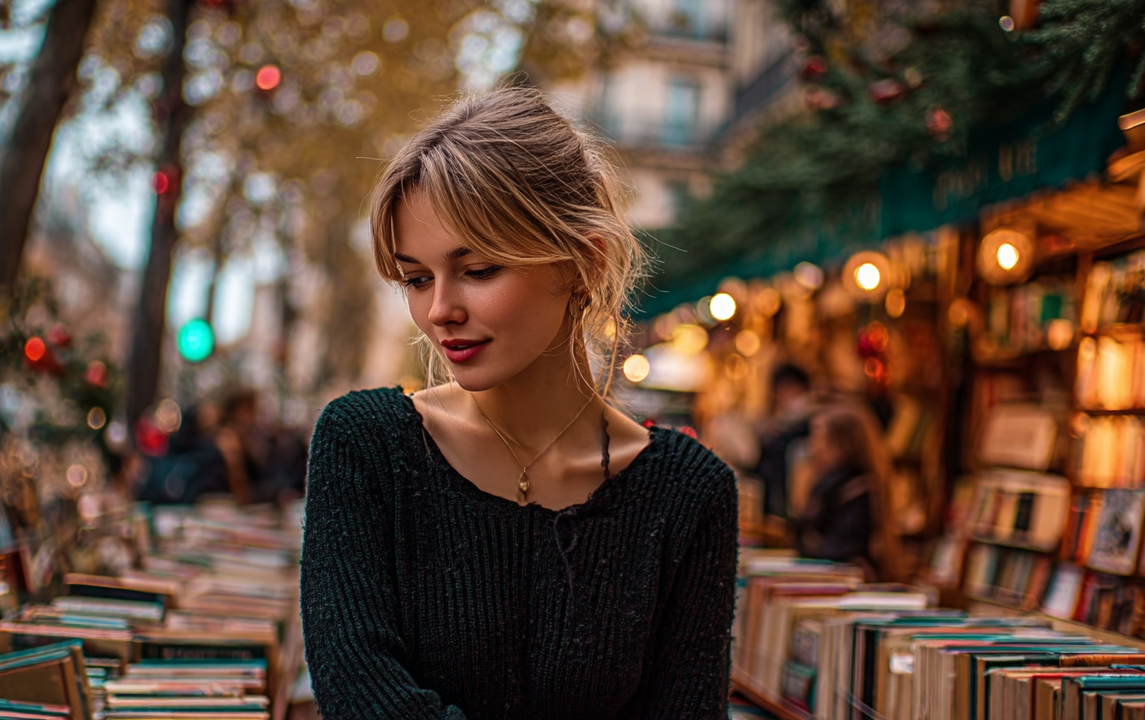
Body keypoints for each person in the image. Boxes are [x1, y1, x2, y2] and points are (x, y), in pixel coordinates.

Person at [300, 87, 739, 720]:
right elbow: (362, 695)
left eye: (477, 269)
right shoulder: (365, 446)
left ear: (584, 263)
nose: (439, 311)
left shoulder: (688, 494)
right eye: (417, 279)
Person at [789, 403, 893, 580]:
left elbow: (843, 549)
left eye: (819, 439)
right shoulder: (826, 485)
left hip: (844, 583)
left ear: (842, 444)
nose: (813, 449)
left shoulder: (858, 489)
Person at [755, 364, 813, 522]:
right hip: (774, 506)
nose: (783, 395)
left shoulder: (808, 422)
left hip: (790, 509)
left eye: (789, 388)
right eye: (780, 389)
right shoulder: (774, 424)